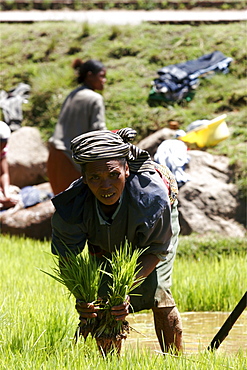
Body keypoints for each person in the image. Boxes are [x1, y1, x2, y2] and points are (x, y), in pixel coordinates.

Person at [51, 128, 183, 353]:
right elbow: (67, 258)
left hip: (151, 236)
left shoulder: (152, 199)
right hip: (103, 236)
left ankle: (176, 362)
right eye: (95, 178)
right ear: (84, 179)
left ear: (126, 170)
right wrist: (82, 297)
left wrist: (124, 289)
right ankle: (110, 363)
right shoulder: (72, 207)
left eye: (114, 175)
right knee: (103, 300)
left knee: (157, 291)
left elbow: (157, 250)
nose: (106, 186)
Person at [47, 59, 107, 195]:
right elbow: (99, 133)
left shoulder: (72, 94)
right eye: (102, 76)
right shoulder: (94, 98)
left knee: (63, 207)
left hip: (54, 155)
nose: (104, 80)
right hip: (70, 160)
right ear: (90, 75)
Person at [0, 121, 19, 209]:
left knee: (14, 192)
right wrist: (2, 200)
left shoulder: (3, 150)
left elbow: (4, 173)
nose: (3, 147)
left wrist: (7, 195)